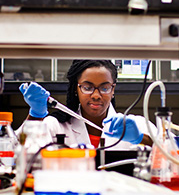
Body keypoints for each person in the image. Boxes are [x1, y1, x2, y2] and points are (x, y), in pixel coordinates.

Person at [19, 59, 155, 149]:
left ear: (113, 90)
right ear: (76, 90)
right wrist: (35, 116)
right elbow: (17, 154)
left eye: (105, 88)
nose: (96, 96)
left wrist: (141, 138)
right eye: (87, 87)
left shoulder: (137, 125)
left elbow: (173, 154)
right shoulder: (55, 125)